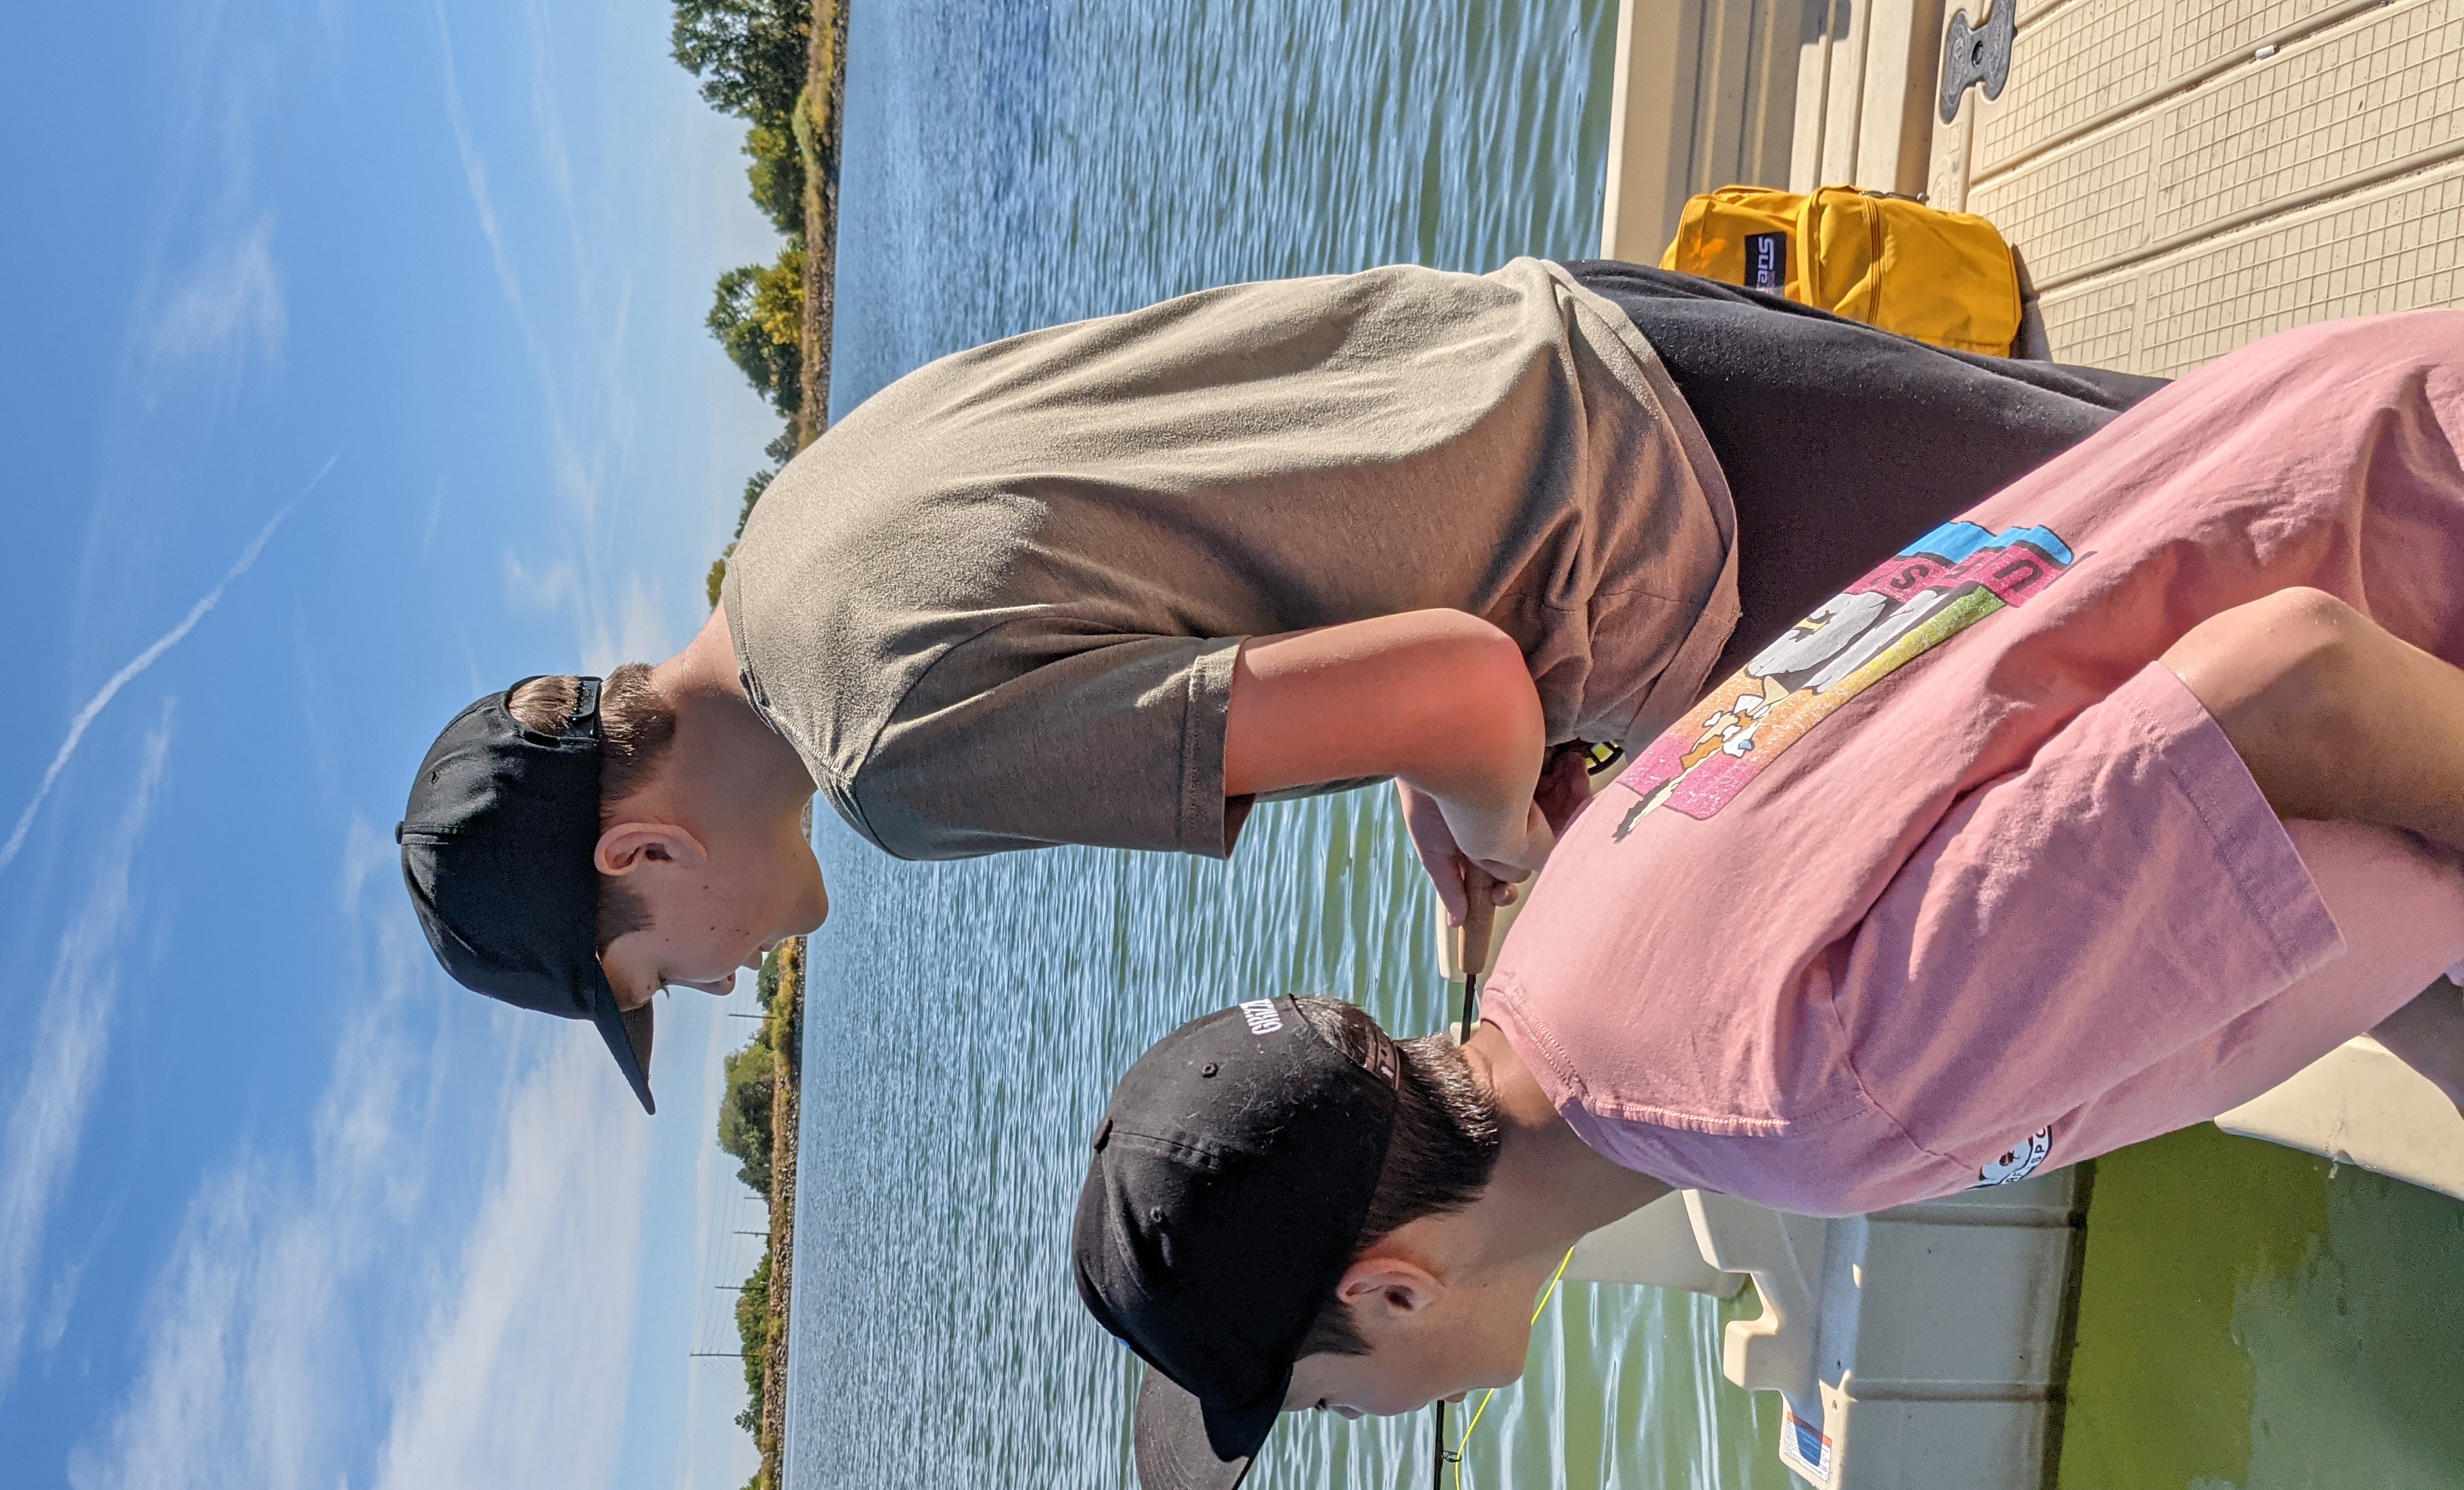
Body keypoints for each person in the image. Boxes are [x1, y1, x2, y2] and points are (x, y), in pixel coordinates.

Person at [1073, 309, 2464, 1490]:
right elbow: (2218, 840)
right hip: (2374, 423)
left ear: (1391, 1293)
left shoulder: (1801, 1097)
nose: (1361, 1422)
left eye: (1322, 1405)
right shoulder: (1576, 918)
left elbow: (2297, 693)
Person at [397, 259, 2157, 1110]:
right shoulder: (800, 520)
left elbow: (1470, 690)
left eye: (655, 976)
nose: (716, 984)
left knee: (2270, 609)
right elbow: (1268, 493)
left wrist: (1516, 845)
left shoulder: (895, 765)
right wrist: (1444, 756)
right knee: (2265, 450)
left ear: (638, 857)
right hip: (1612, 340)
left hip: (1684, 533)